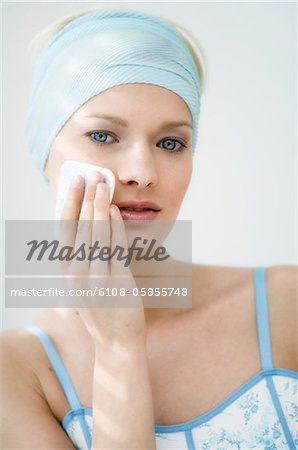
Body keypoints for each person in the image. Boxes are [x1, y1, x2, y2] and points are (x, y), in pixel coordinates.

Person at [2, 7, 297, 450]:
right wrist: (118, 346)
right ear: (46, 153)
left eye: (171, 143)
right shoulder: (15, 372)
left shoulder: (286, 303)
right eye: (103, 135)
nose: (142, 171)